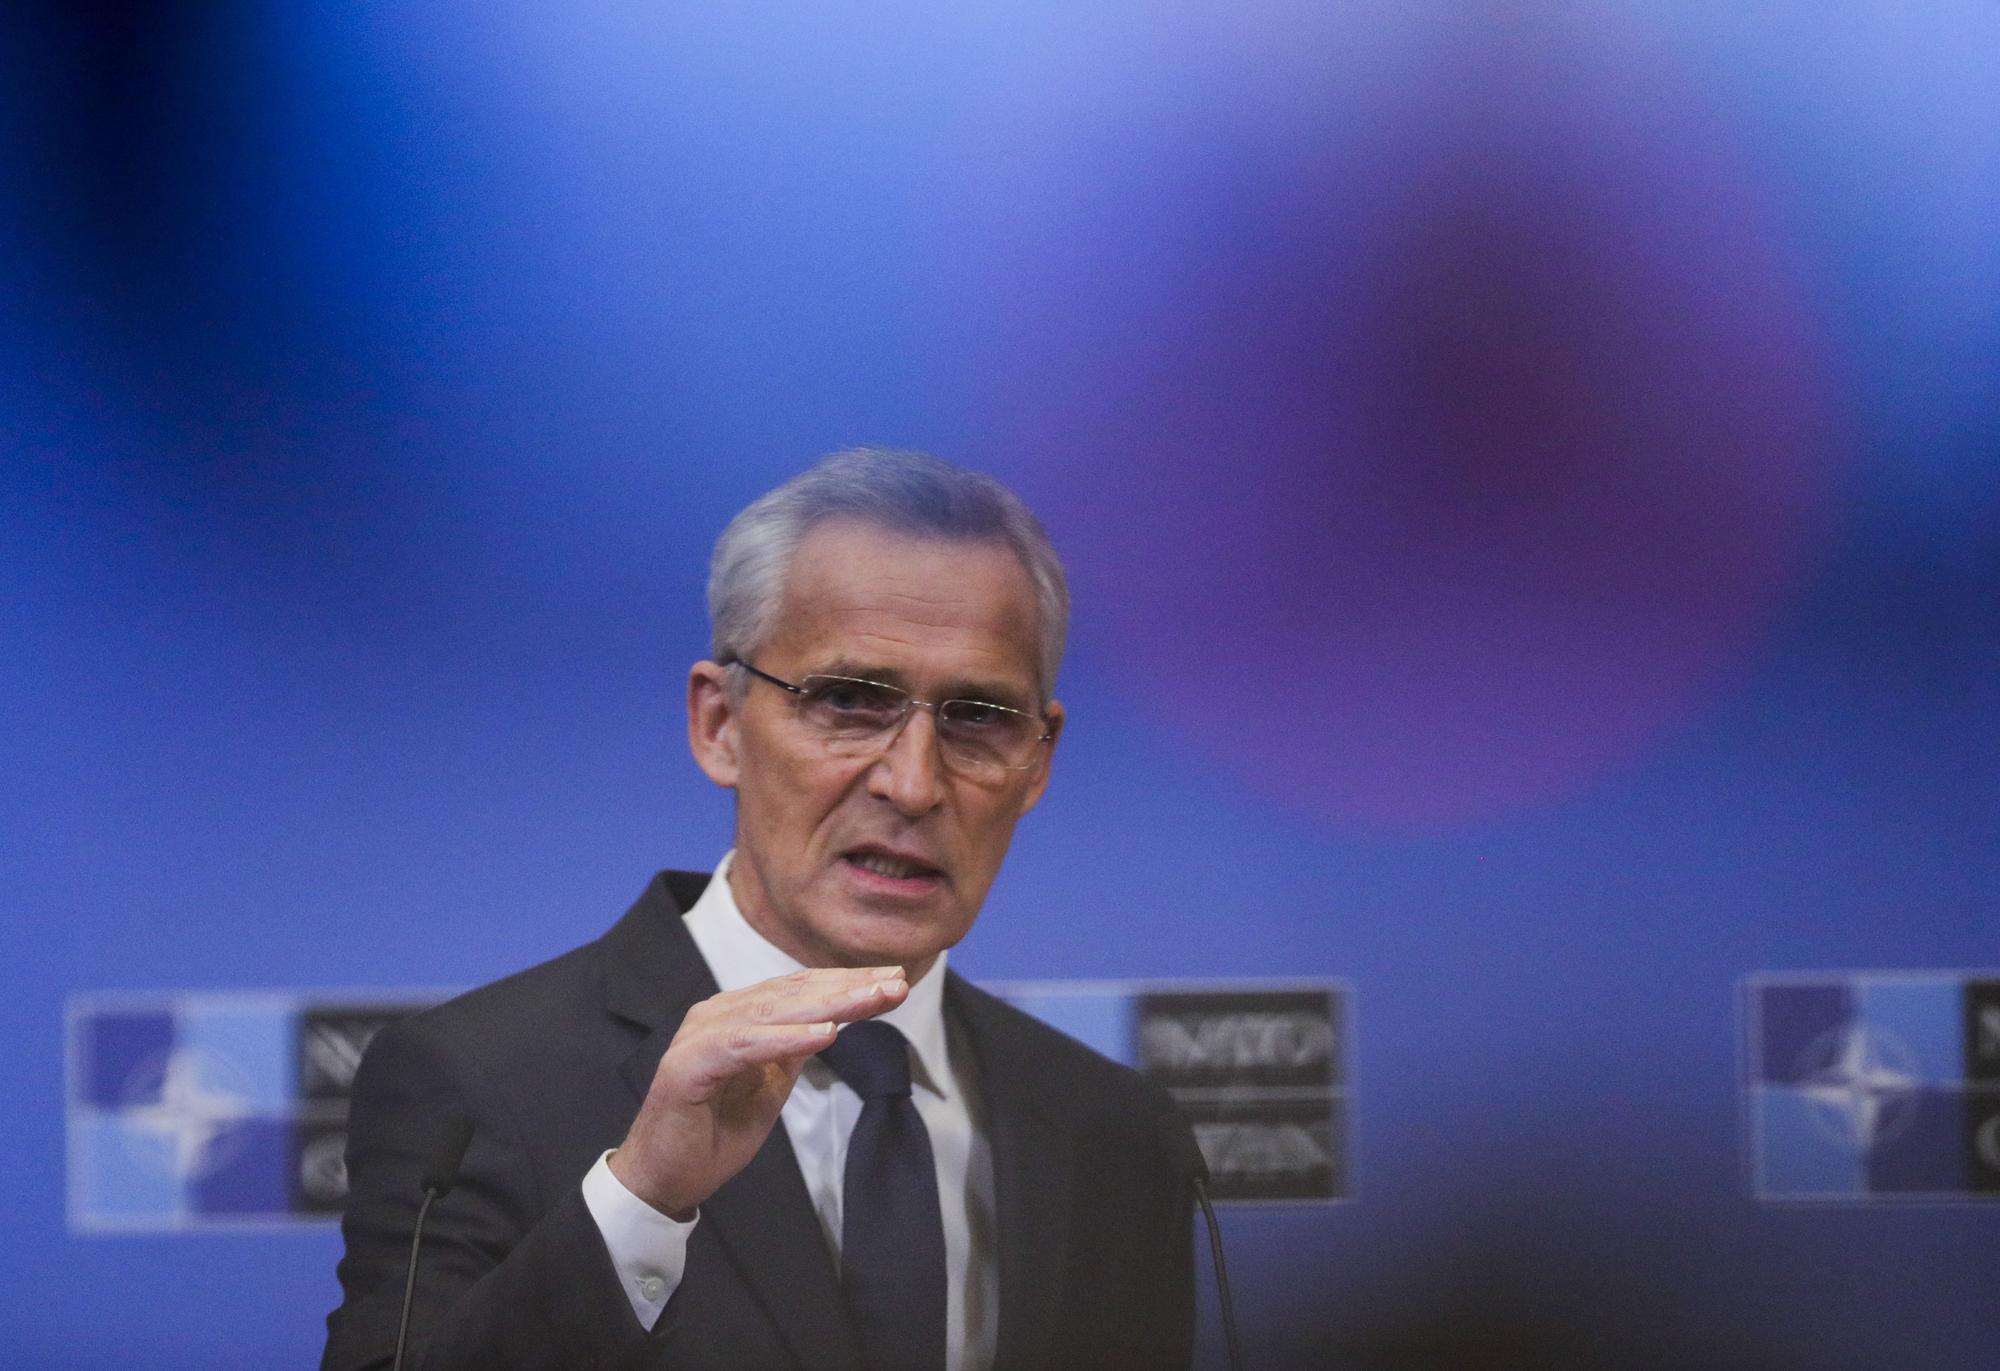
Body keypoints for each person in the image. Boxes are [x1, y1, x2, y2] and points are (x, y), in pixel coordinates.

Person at [319, 449, 1196, 1371]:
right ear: (720, 724)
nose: (913, 783)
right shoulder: (478, 1081)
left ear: (1040, 763)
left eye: (978, 716)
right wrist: (642, 1201)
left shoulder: (1117, 1134)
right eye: (852, 701)